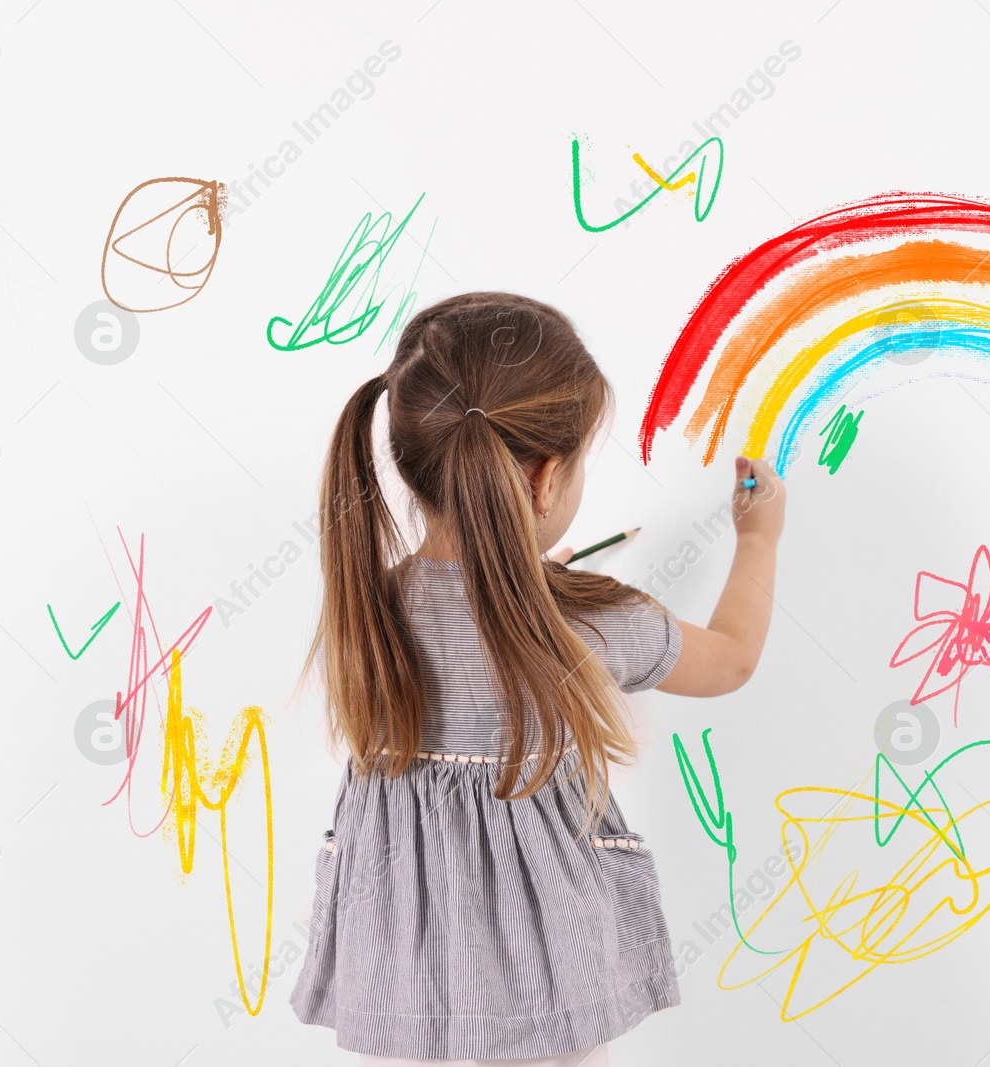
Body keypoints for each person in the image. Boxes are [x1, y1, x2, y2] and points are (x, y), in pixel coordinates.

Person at [290, 292, 786, 1065]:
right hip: (545, 1004)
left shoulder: (366, 608)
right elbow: (733, 657)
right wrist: (760, 536)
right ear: (546, 478)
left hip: (405, 997)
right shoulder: (583, 624)